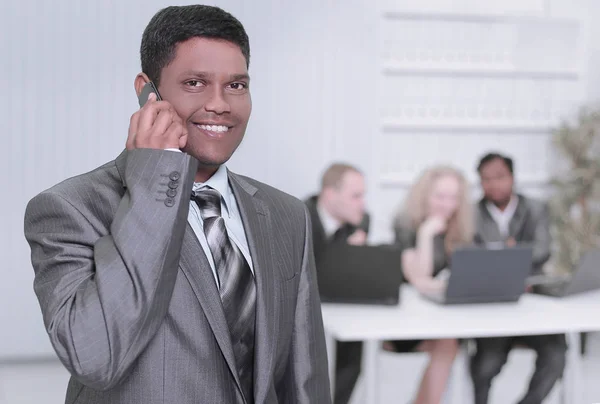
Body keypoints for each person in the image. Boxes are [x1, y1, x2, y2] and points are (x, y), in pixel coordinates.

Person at [23, 5, 330, 404]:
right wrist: (153, 180)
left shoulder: (286, 214)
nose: (220, 104)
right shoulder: (69, 209)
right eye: (195, 82)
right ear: (148, 93)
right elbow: (96, 356)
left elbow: (304, 381)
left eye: (236, 85)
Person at [470, 152, 566, 404]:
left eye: (500, 177)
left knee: (555, 354)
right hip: (493, 305)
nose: (494, 184)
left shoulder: (535, 208)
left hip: (531, 301)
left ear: (512, 177)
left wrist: (501, 253)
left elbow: (543, 249)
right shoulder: (471, 214)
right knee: (485, 365)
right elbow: (469, 257)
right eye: (486, 179)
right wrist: (514, 251)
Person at [385, 165, 474, 404]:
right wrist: (425, 234)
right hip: (404, 320)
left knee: (449, 341)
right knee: (447, 342)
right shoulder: (405, 224)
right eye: (440, 196)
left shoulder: (459, 227)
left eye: (454, 198)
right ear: (424, 196)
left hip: (440, 317)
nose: (447, 205)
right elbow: (418, 279)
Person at [305, 163, 369, 404]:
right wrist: (343, 256)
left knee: (353, 352)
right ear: (330, 195)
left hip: (341, 307)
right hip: (303, 306)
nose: (362, 204)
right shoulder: (298, 217)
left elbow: (359, 280)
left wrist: (355, 258)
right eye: (356, 196)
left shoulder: (361, 222)